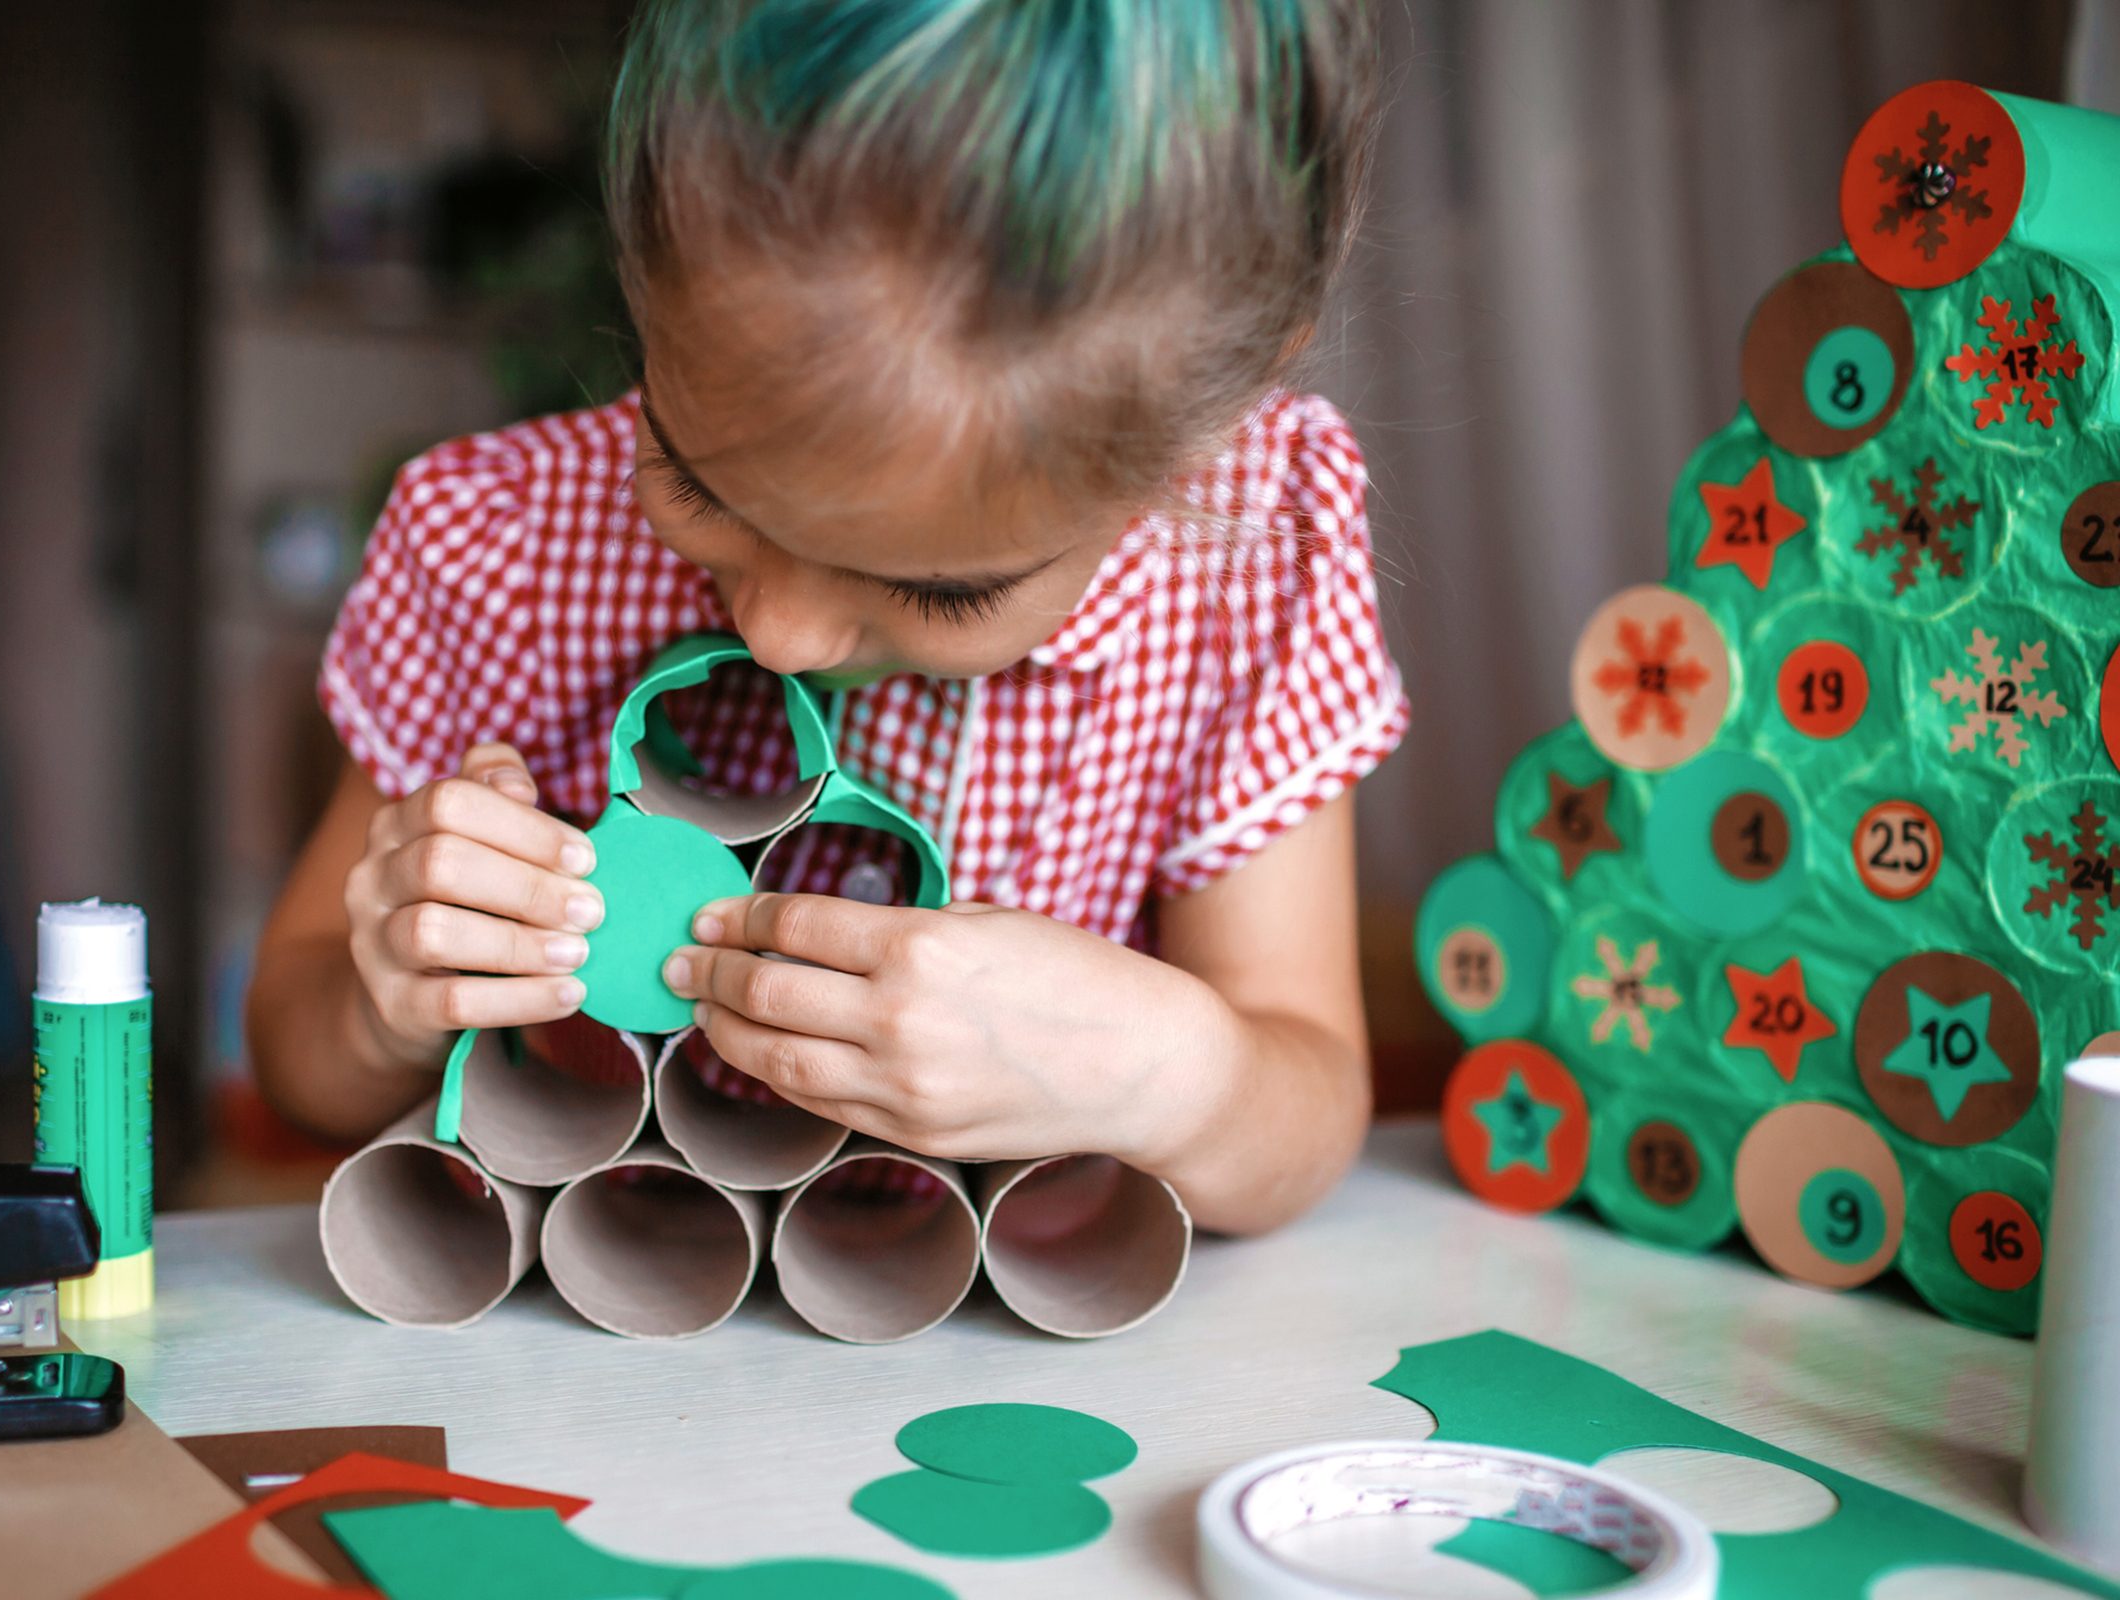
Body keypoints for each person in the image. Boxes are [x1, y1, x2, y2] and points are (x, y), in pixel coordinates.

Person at [248, 0, 1405, 1235]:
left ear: (1204, 435)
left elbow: (1306, 1105)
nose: (781, 637)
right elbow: (294, 1047)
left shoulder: (1248, 557)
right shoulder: (499, 545)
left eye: (940, 588)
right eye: (697, 483)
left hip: (1023, 1339)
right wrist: (381, 1000)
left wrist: (1173, 1072)